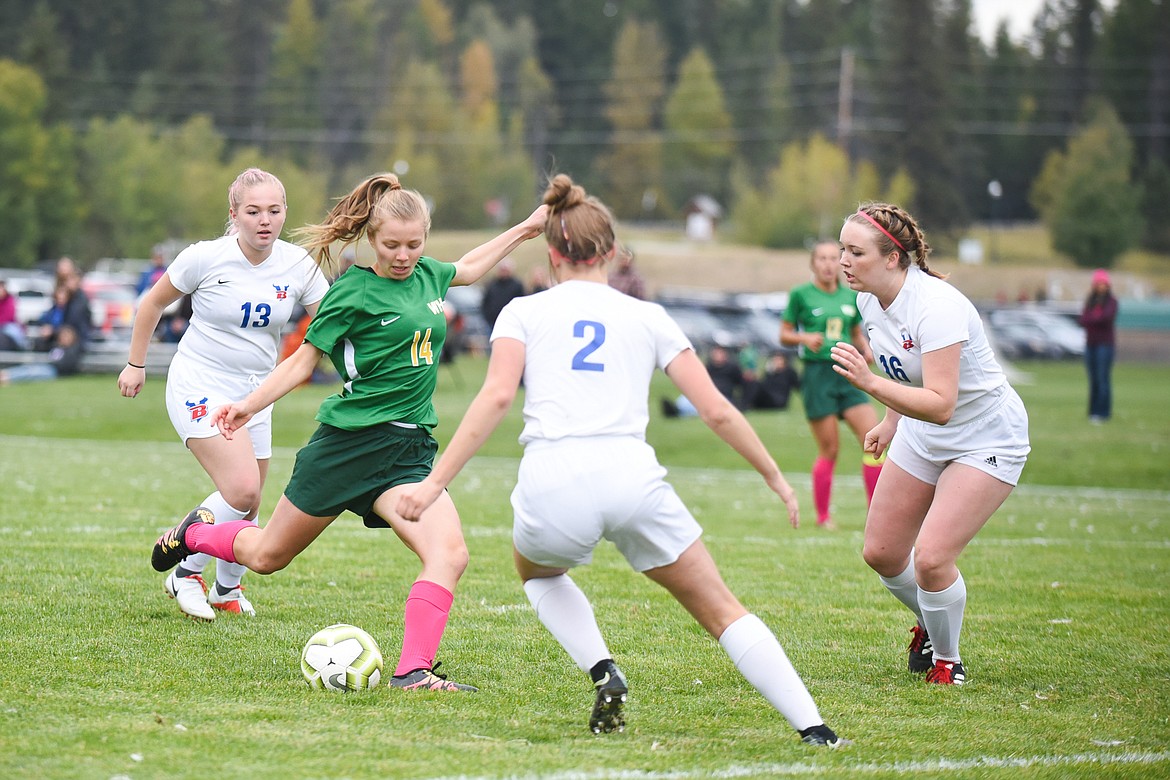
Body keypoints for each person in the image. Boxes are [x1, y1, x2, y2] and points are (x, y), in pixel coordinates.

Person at [394, 174, 846, 746]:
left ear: (552, 254)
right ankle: (816, 729)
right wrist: (775, 475)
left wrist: (433, 484)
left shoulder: (522, 312)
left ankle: (603, 669)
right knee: (721, 610)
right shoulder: (648, 316)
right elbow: (718, 411)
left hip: (552, 479)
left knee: (537, 575)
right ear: (611, 252)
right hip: (632, 477)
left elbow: (497, 397)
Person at [150, 172, 549, 691]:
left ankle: (413, 672)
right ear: (370, 240)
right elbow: (301, 364)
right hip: (347, 448)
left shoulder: (429, 275)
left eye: (414, 244)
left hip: (407, 453)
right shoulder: (353, 292)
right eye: (391, 245)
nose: (403, 255)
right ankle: (193, 535)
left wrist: (527, 227)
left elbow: (470, 268)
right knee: (268, 556)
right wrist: (247, 406)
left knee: (449, 554)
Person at [830, 203, 1030, 686]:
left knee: (933, 558)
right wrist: (891, 420)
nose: (843, 261)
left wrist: (871, 386)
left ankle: (947, 660)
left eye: (856, 252)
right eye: (842, 249)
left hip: (984, 434)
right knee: (880, 552)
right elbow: (906, 369)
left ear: (894, 258)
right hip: (924, 431)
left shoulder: (938, 306)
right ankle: (932, 619)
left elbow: (941, 403)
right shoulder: (868, 301)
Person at [120, 168, 331, 622]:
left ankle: (226, 589)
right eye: (253, 211)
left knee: (250, 503)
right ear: (233, 214)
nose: (264, 220)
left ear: (285, 213)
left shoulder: (299, 265)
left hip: (257, 393)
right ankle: (185, 573)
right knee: (239, 489)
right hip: (200, 382)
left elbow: (333, 319)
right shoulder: (204, 257)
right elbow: (153, 303)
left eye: (274, 211)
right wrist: (136, 364)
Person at [781, 239, 883, 530]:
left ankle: (877, 515)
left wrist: (866, 348)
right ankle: (824, 517)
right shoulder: (801, 294)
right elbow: (784, 334)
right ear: (813, 264)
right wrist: (803, 339)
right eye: (822, 259)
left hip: (849, 374)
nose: (828, 264)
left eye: (832, 258)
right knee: (830, 450)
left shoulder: (851, 295)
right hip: (817, 377)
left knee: (874, 442)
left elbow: (855, 331)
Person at [1079, 269, 1118, 424]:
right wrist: (1095, 318)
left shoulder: (1112, 302)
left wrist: (1093, 319)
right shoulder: (1090, 301)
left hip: (1105, 345)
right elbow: (1083, 319)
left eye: (1103, 283)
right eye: (1098, 283)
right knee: (1093, 379)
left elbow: (1106, 319)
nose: (1101, 286)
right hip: (1091, 344)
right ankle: (1093, 411)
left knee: (1103, 378)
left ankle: (1103, 412)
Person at [0, 324, 83, 385]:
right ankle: (6, 374)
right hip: (46, 365)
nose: (64, 338)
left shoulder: (72, 350)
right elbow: (39, 346)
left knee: (32, 373)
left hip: (55, 371)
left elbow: (66, 365)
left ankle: (8, 378)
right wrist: (47, 337)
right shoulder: (55, 345)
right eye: (63, 335)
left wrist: (52, 363)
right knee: (27, 368)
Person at [481, 257, 525, 330]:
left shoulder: (517, 285)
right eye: (502, 270)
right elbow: (485, 301)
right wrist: (487, 316)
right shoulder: (491, 284)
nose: (504, 272)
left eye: (505, 270)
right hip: (492, 322)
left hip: (510, 322)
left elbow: (521, 302)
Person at [0, 278, 29, 350]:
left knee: (14, 331)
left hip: (7, 324)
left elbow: (9, 316)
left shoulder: (10, 299)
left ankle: (23, 348)